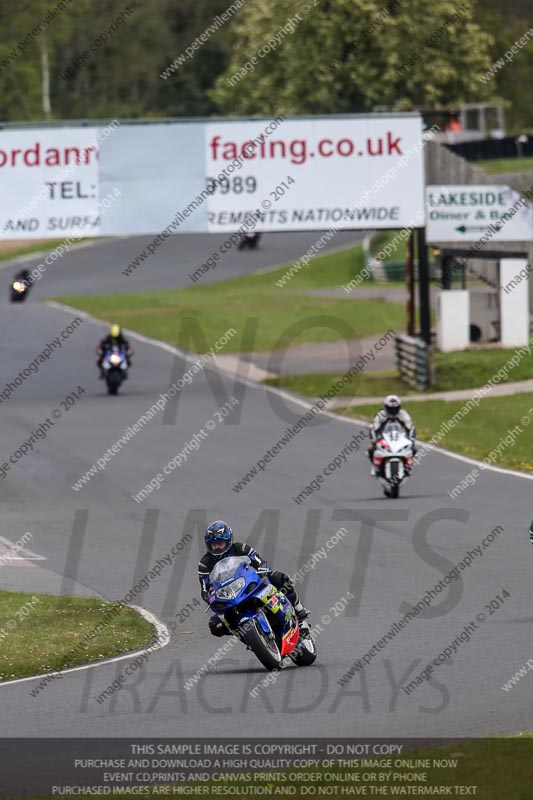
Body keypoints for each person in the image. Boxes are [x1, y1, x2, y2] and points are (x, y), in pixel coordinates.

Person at [198, 520, 309, 637]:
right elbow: (205, 589)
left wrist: (263, 568)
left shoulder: (240, 548)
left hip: (247, 583)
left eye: (220, 543)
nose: (216, 547)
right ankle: (249, 636)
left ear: (228, 540)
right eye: (213, 544)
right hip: (228, 596)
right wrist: (210, 598)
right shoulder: (204, 563)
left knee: (278, 577)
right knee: (214, 625)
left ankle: (299, 612)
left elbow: (259, 561)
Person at [367, 394, 416, 475]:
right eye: (391, 409)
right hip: (383, 438)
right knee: (370, 450)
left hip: (399, 437)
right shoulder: (381, 415)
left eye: (395, 408)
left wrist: (412, 440)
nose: (393, 411)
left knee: (414, 449)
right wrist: (374, 441)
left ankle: (407, 466)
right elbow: (374, 428)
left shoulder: (403, 414)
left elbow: (411, 428)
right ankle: (375, 467)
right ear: (386, 407)